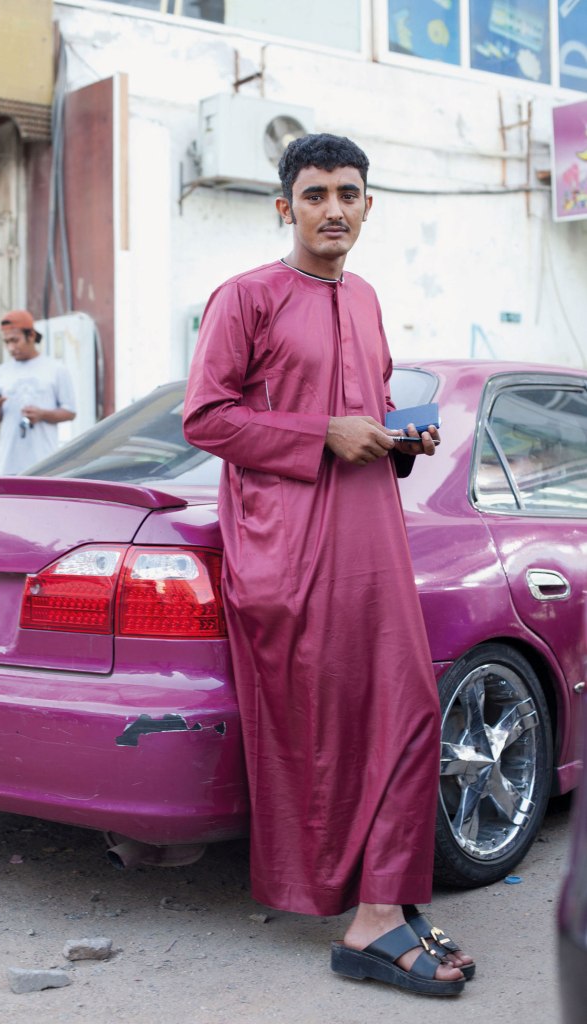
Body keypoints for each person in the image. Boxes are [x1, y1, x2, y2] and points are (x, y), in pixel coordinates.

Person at [183, 134, 475, 997]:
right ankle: (374, 916)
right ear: (286, 207)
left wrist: (397, 437)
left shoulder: (368, 297)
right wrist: (323, 434)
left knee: (406, 710)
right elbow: (205, 418)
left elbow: (362, 410)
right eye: (314, 195)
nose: (333, 209)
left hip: (369, 535)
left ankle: (384, 905)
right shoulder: (245, 297)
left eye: (348, 194)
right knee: (328, 729)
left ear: (367, 206)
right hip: (289, 549)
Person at [0, 310, 76, 475]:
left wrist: (42, 414)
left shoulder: (56, 369)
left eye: (15, 340)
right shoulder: (0, 373)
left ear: (31, 336)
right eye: (7, 342)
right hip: (9, 464)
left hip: (44, 462)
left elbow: (70, 412)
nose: (11, 348)